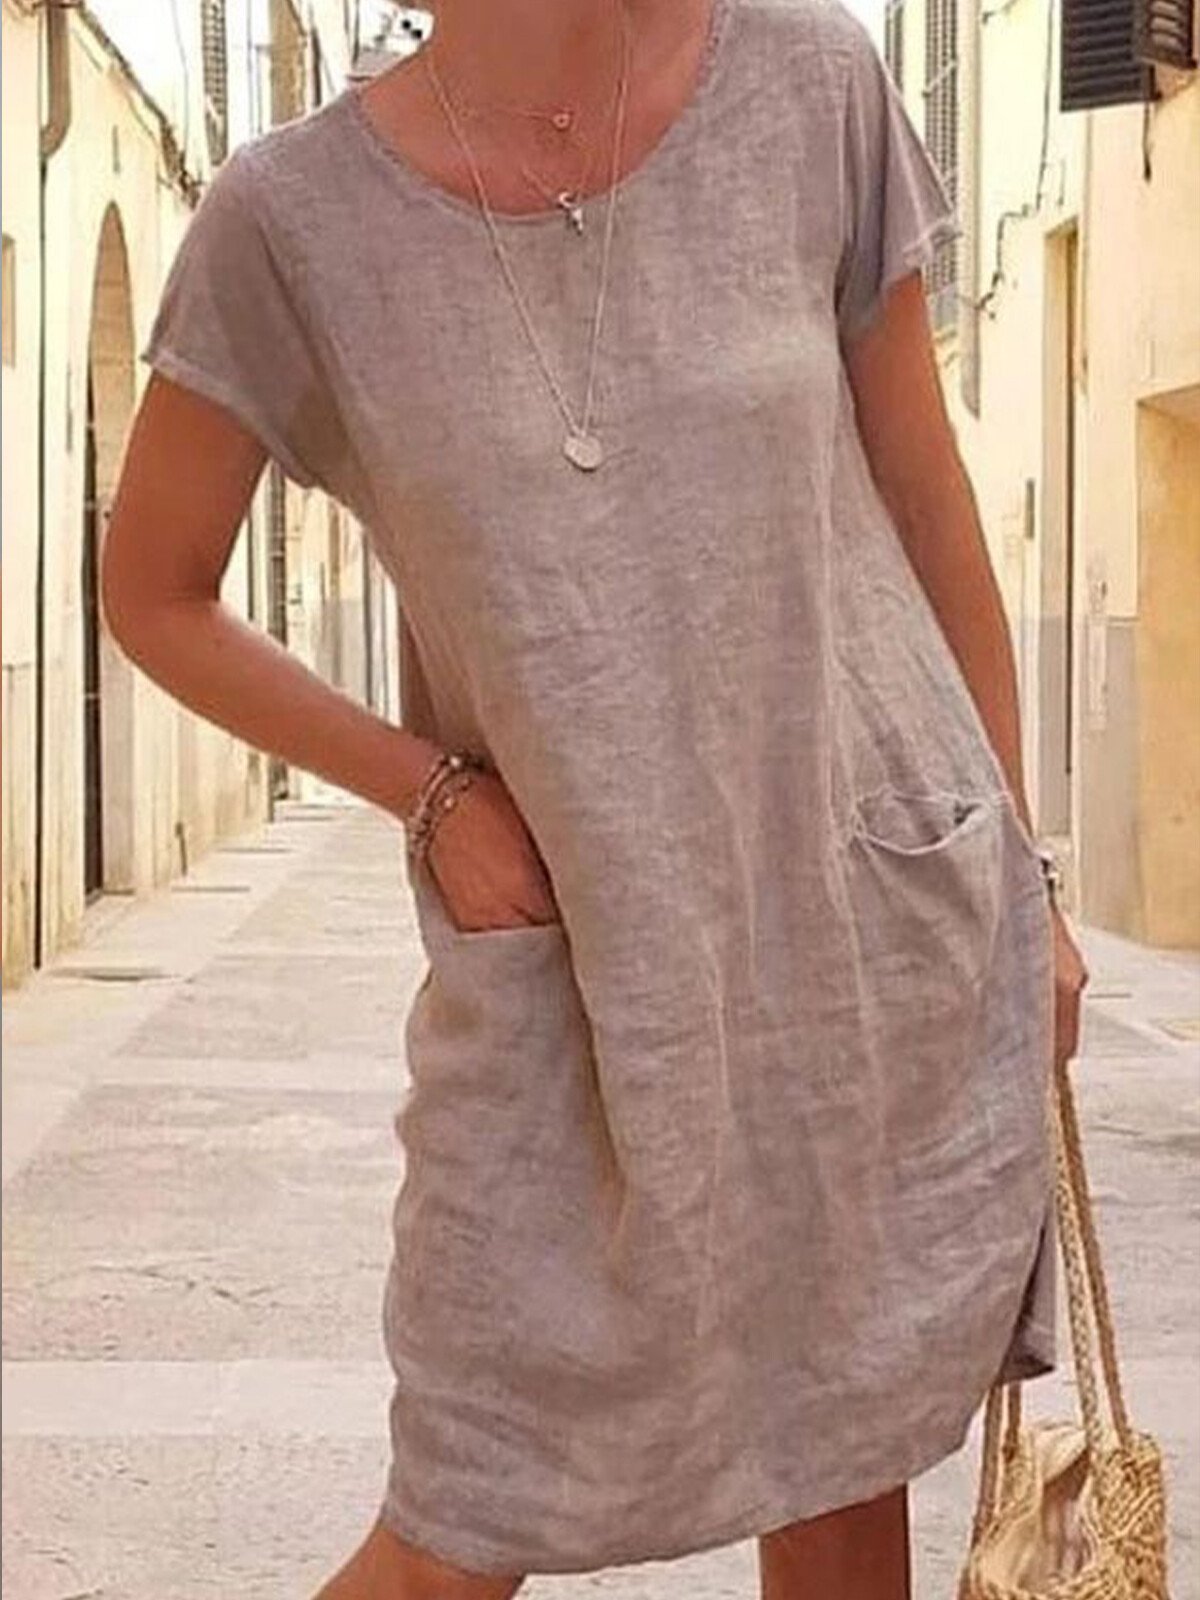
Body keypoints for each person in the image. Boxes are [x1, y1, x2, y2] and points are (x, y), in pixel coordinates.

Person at [101, 0, 1090, 1596]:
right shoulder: (292, 221)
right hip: (567, 963)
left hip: (858, 925)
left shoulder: (811, 87)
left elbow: (926, 495)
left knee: (840, 1483)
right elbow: (155, 591)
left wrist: (1023, 880)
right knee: (463, 1516)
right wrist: (428, 793)